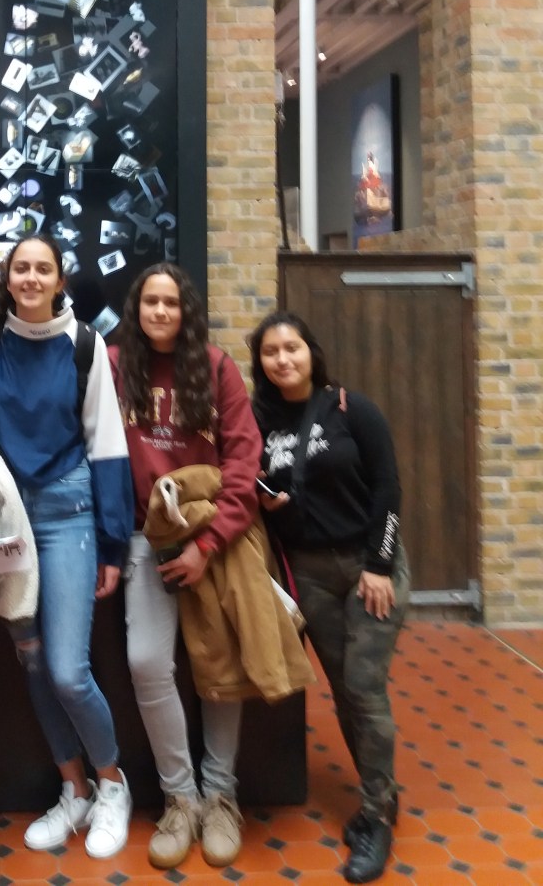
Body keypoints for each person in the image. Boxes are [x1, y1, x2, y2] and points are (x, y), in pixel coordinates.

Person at [0, 235, 134, 859]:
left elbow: (107, 443)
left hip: (68, 514)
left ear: (60, 280)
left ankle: (113, 784)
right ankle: (73, 789)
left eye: (43, 269)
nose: (30, 278)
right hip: (7, 516)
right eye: (20, 268)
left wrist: (113, 545)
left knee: (67, 669)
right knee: (30, 659)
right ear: (6, 278)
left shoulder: (85, 345)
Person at [248, 311, 410, 885]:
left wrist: (380, 564)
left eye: (291, 348)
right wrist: (266, 502)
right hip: (309, 573)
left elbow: (388, 486)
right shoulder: (259, 422)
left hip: (368, 567)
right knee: (344, 691)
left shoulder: (351, 409)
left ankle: (377, 816)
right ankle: (380, 788)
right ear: (260, 363)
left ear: (311, 352)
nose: (283, 359)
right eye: (271, 352)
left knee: (364, 687)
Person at [109, 263, 261, 870]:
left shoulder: (218, 369)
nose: (161, 312)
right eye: (151, 301)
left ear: (186, 310)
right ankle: (181, 799)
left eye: (171, 302)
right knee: (146, 660)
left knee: (220, 662)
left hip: (210, 536)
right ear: (136, 308)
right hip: (144, 538)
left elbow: (244, 463)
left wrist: (209, 544)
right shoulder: (114, 366)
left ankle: (221, 795)